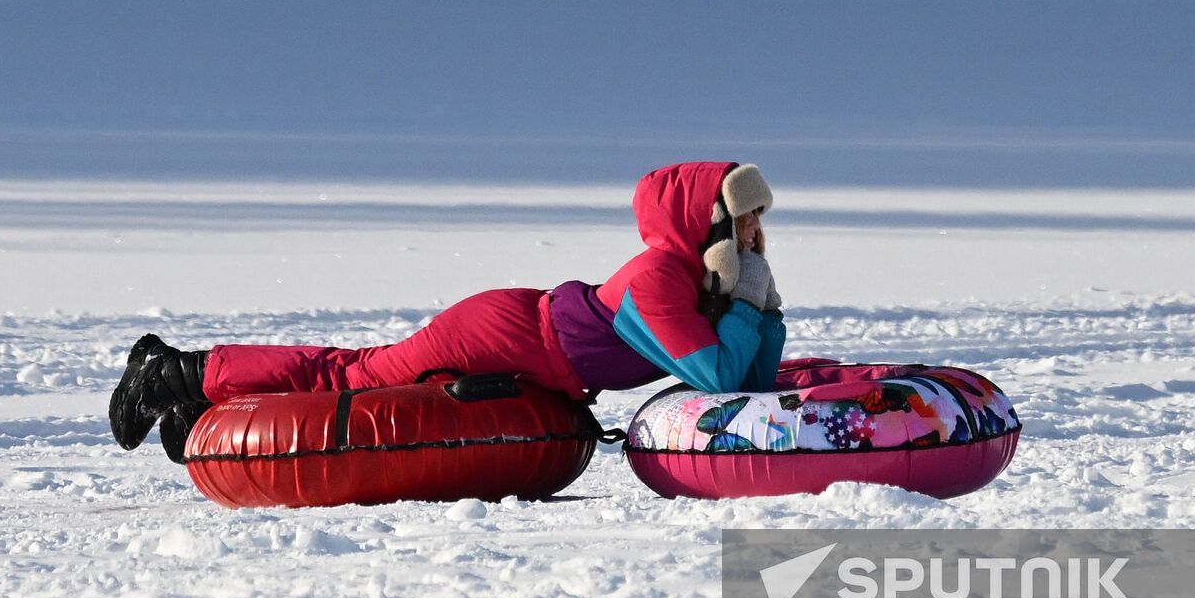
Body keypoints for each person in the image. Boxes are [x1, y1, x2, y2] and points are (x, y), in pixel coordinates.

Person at [109, 161, 787, 463]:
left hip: (531, 338)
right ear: (710, 221)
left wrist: (763, 301)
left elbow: (752, 380)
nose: (754, 235)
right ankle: (177, 374)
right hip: (500, 332)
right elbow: (718, 380)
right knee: (352, 378)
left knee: (357, 372)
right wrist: (751, 294)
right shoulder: (660, 282)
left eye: (758, 223)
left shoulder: (700, 282)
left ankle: (199, 410)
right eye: (745, 221)